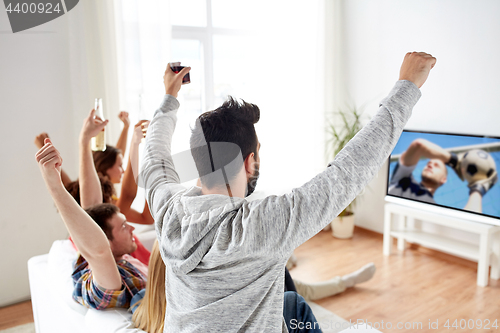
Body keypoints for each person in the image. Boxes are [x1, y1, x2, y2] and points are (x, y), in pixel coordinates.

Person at [141, 52, 436, 332]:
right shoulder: (261, 225)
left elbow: (154, 154)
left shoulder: (168, 212)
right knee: (290, 296)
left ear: (197, 161)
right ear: (250, 161)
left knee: (289, 298)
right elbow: (349, 171)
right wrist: (407, 86)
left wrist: (169, 97)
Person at [35, 139, 147, 310]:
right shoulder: (111, 278)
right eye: (124, 226)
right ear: (105, 241)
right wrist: (54, 185)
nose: (132, 228)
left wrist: (85, 140)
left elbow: (91, 207)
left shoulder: (121, 257)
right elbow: (99, 251)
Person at [388, 138, 498, 212]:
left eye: (437, 165)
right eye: (429, 163)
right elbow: (418, 145)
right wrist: (454, 161)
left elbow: (472, 225)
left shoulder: (435, 209)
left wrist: (478, 189)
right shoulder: (403, 179)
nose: (430, 165)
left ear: (444, 179)